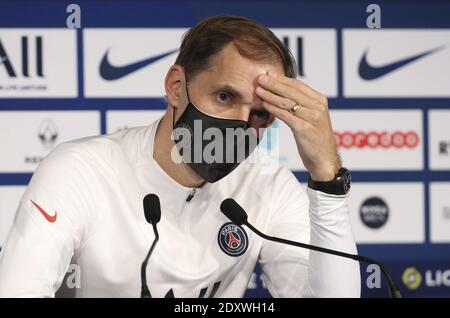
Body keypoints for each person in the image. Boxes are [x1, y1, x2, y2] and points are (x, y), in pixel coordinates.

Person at [0, 15, 360, 298]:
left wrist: (327, 176)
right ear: (176, 87)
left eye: (260, 113)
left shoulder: (268, 185)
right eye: (224, 97)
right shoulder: (81, 170)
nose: (239, 123)